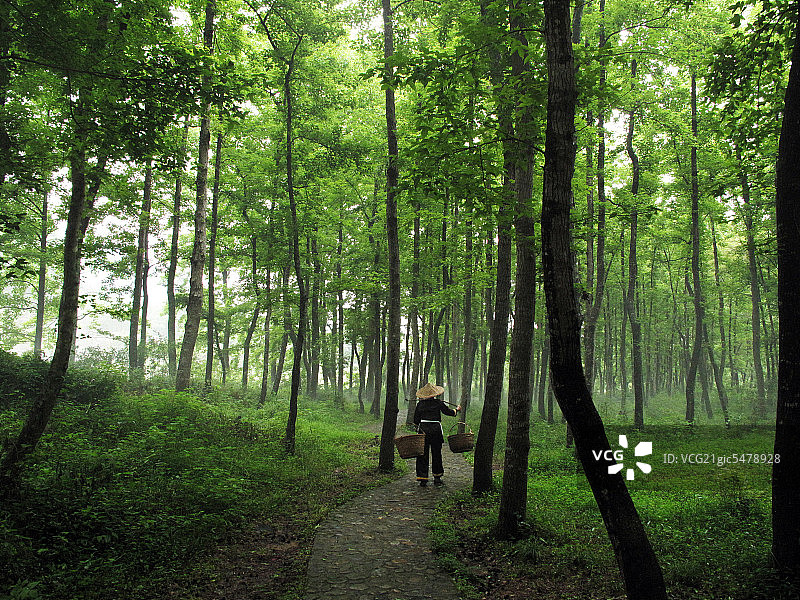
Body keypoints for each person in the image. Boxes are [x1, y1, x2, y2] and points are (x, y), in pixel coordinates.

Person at [412, 382, 461, 487]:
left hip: (423, 431)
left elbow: (415, 420)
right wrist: (456, 410)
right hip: (436, 431)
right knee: (436, 453)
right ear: (434, 394)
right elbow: (448, 412)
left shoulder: (420, 404)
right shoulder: (438, 403)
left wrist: (419, 426)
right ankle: (437, 478)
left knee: (422, 454)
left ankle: (423, 478)